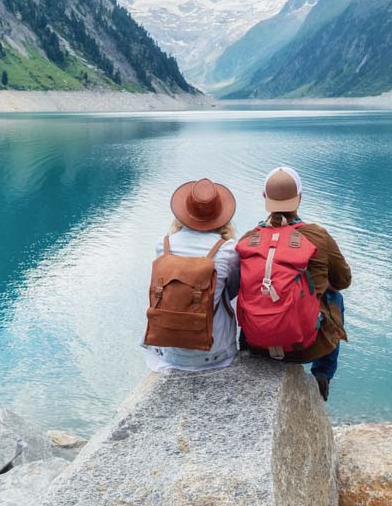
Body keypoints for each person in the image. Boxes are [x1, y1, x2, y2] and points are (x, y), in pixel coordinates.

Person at [236, 166, 351, 400]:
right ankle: (323, 373)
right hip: (305, 347)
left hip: (257, 344)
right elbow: (343, 281)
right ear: (300, 197)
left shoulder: (248, 239)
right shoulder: (317, 235)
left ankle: (245, 351)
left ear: (264, 197)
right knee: (336, 298)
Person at [143, 178, 240, 372]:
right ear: (221, 215)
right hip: (215, 354)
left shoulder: (164, 245)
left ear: (184, 213)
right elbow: (233, 291)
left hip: (168, 352)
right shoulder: (228, 250)